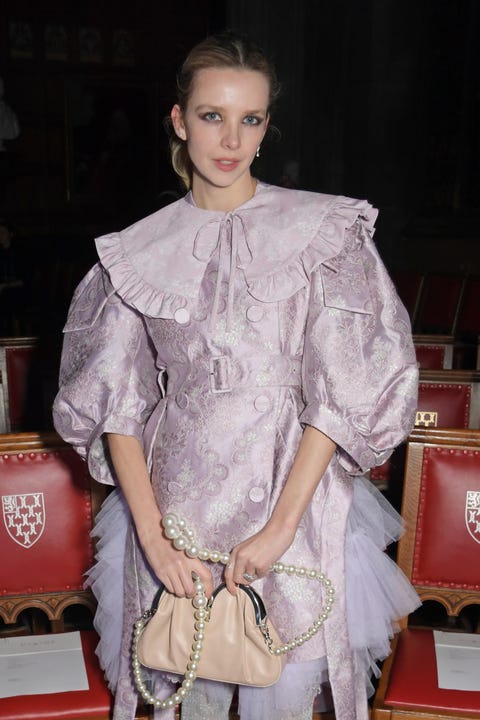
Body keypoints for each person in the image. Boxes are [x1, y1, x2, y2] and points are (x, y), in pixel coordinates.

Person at [53, 31, 420, 720]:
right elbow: (116, 407)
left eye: (250, 119)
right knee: (187, 684)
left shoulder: (324, 233)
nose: (232, 138)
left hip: (293, 486)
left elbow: (342, 390)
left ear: (266, 126)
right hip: (174, 500)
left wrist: (284, 524)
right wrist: (154, 538)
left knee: (281, 684)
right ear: (178, 119)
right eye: (213, 115)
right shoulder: (133, 253)